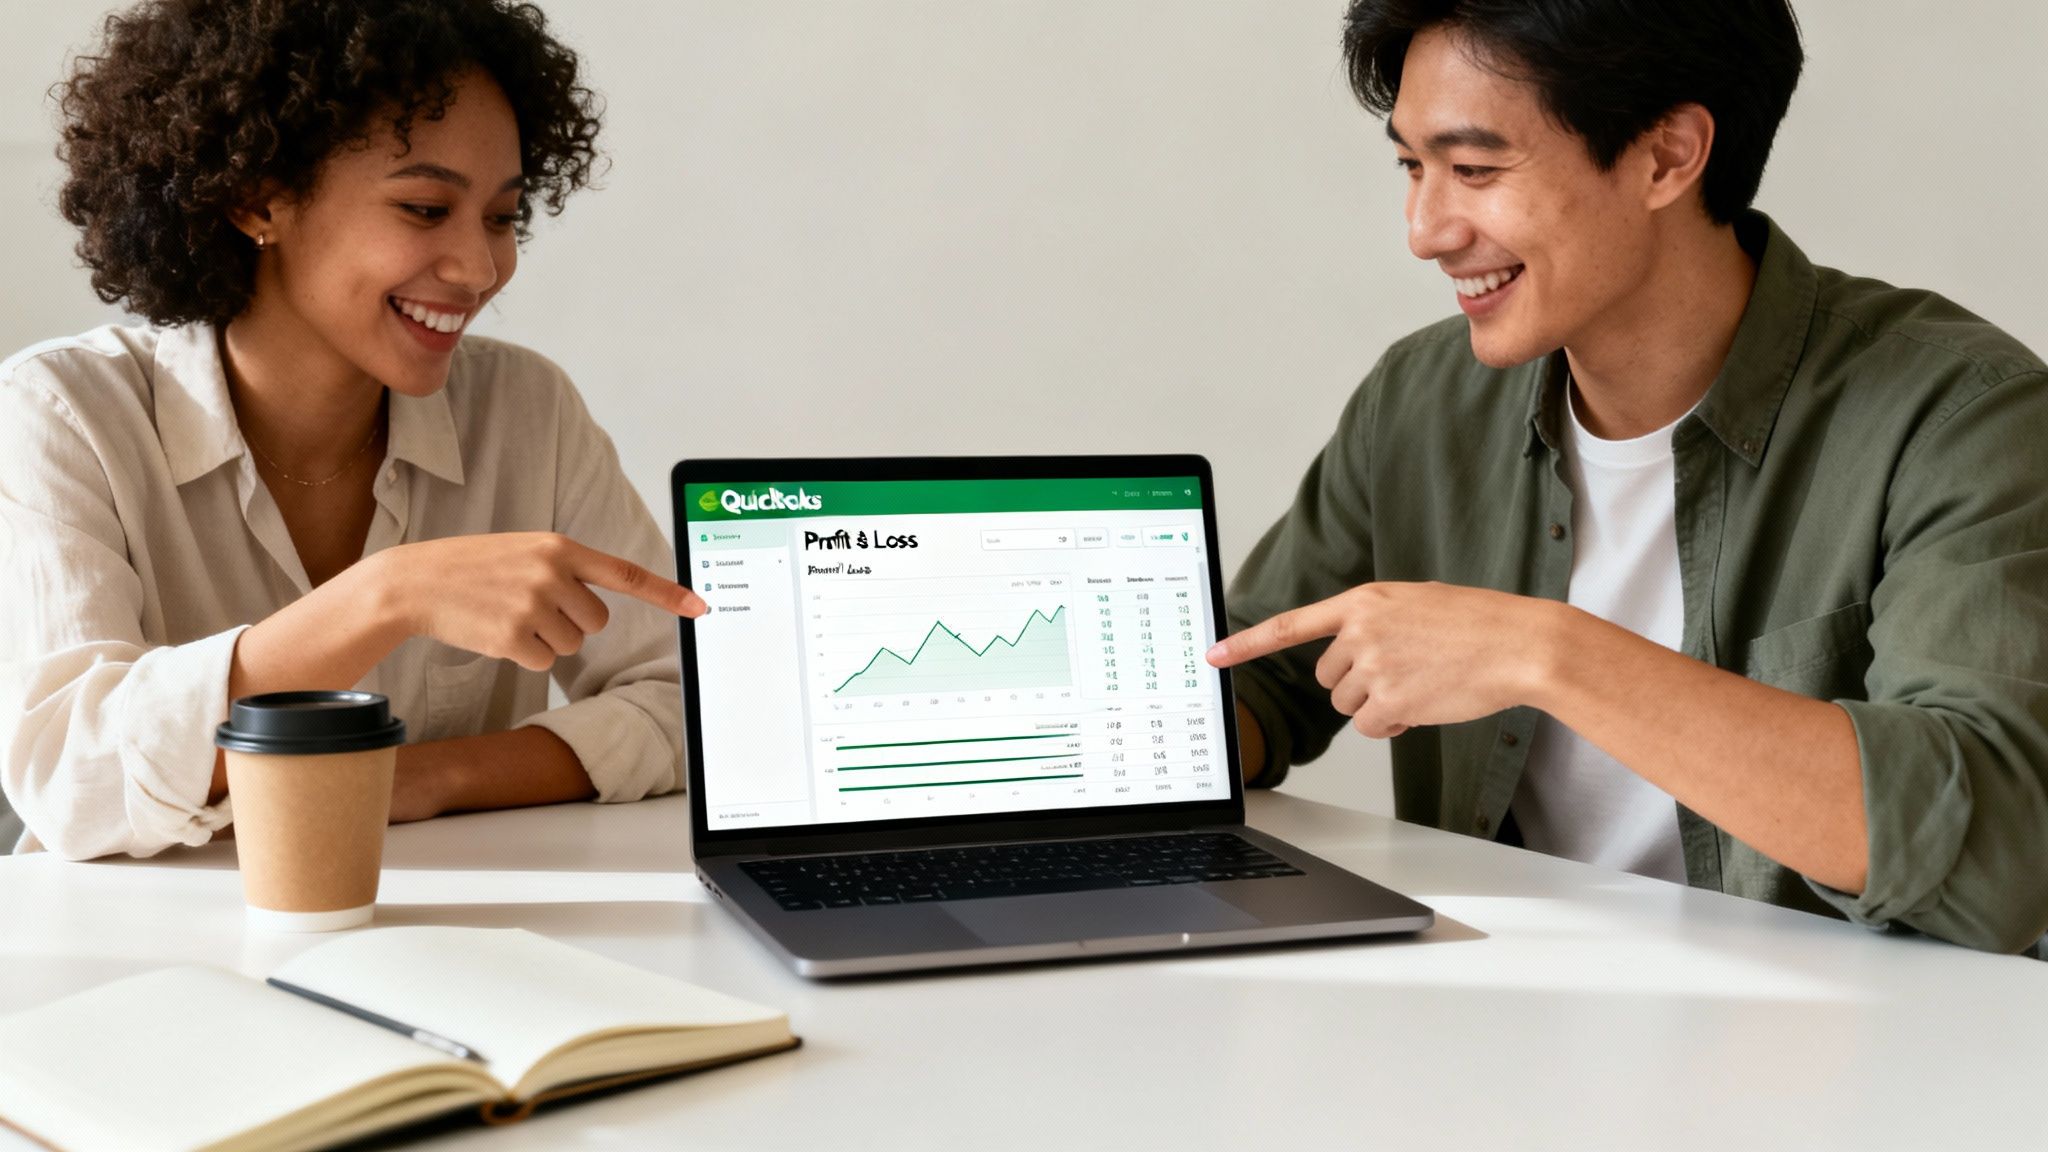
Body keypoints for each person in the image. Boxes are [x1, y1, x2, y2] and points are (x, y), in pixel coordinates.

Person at [1209, 0, 2048, 954]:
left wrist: (1546, 654)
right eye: (1412, 166)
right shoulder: (1421, 398)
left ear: (1667, 156)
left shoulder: (1967, 417)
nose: (1425, 230)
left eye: (1474, 169)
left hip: (1839, 1034)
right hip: (1488, 1004)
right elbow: (1266, 681)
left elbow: (1997, 852)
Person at [0, 0, 706, 860]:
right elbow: (73, 778)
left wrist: (428, 777)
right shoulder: (63, 413)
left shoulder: (527, 412)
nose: (480, 269)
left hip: (459, 925)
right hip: (141, 938)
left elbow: (693, 700)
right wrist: (390, 596)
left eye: (500, 217)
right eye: (425, 209)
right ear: (257, 198)